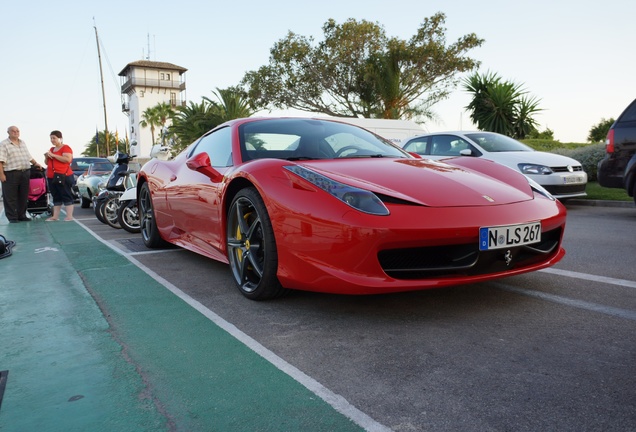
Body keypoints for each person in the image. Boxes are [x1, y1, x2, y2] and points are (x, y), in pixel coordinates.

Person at [0, 126, 43, 223]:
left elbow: (28, 156)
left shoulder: (22, 142)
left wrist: (36, 163)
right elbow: (0, 161)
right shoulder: (3, 144)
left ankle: (22, 215)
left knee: (23, 196)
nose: (15, 132)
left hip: (25, 172)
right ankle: (12, 217)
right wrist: (1, 175)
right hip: (11, 173)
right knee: (10, 197)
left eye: (17, 131)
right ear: (8, 132)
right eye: (13, 131)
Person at [44, 130, 75, 221]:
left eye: (54, 138)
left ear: (60, 138)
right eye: (51, 138)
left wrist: (53, 155)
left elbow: (67, 159)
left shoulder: (65, 148)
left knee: (66, 194)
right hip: (51, 176)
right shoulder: (51, 149)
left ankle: (69, 216)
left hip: (63, 175)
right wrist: (47, 156)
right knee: (56, 195)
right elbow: (47, 162)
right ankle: (55, 216)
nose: (52, 140)